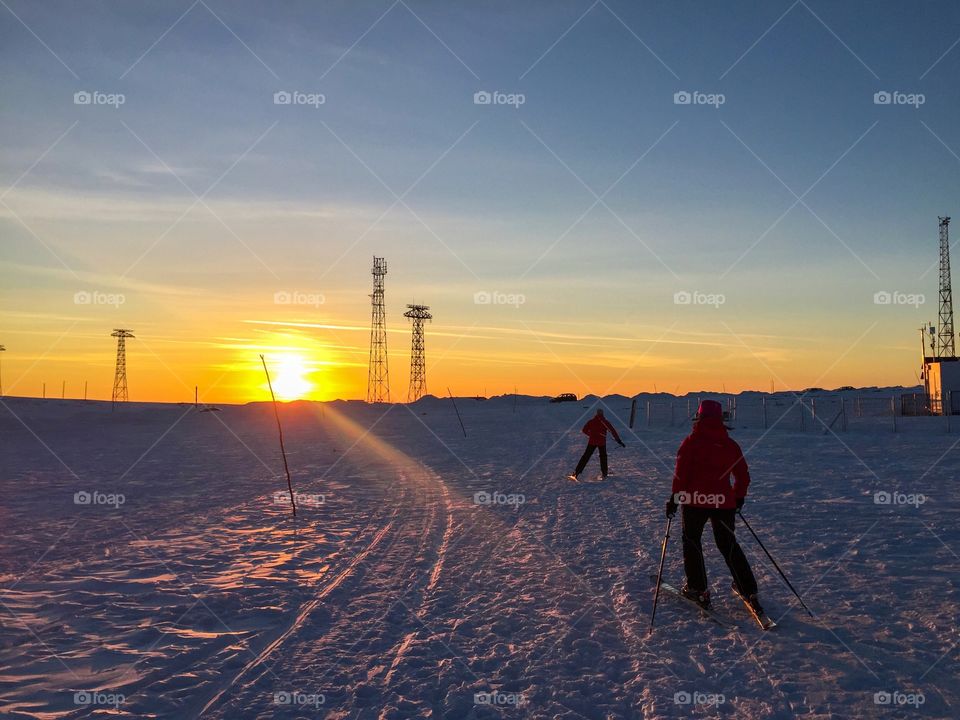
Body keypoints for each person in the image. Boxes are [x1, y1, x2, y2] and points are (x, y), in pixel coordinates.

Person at [665, 399, 761, 612]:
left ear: (698, 417)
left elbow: (681, 476)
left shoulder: (691, 442)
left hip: (694, 501)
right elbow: (742, 475)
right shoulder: (729, 444)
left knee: (692, 541)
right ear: (720, 419)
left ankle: (698, 589)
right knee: (727, 544)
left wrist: (675, 498)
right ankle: (748, 589)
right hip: (723, 502)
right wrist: (738, 497)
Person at [570, 408, 625, 481]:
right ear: (602, 414)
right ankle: (604, 473)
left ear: (596, 414)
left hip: (592, 442)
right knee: (603, 457)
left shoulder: (591, 421)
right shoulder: (605, 422)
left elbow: (584, 430)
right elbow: (613, 431)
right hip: (601, 442)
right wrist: (619, 441)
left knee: (586, 456)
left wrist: (591, 435)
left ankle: (576, 473)